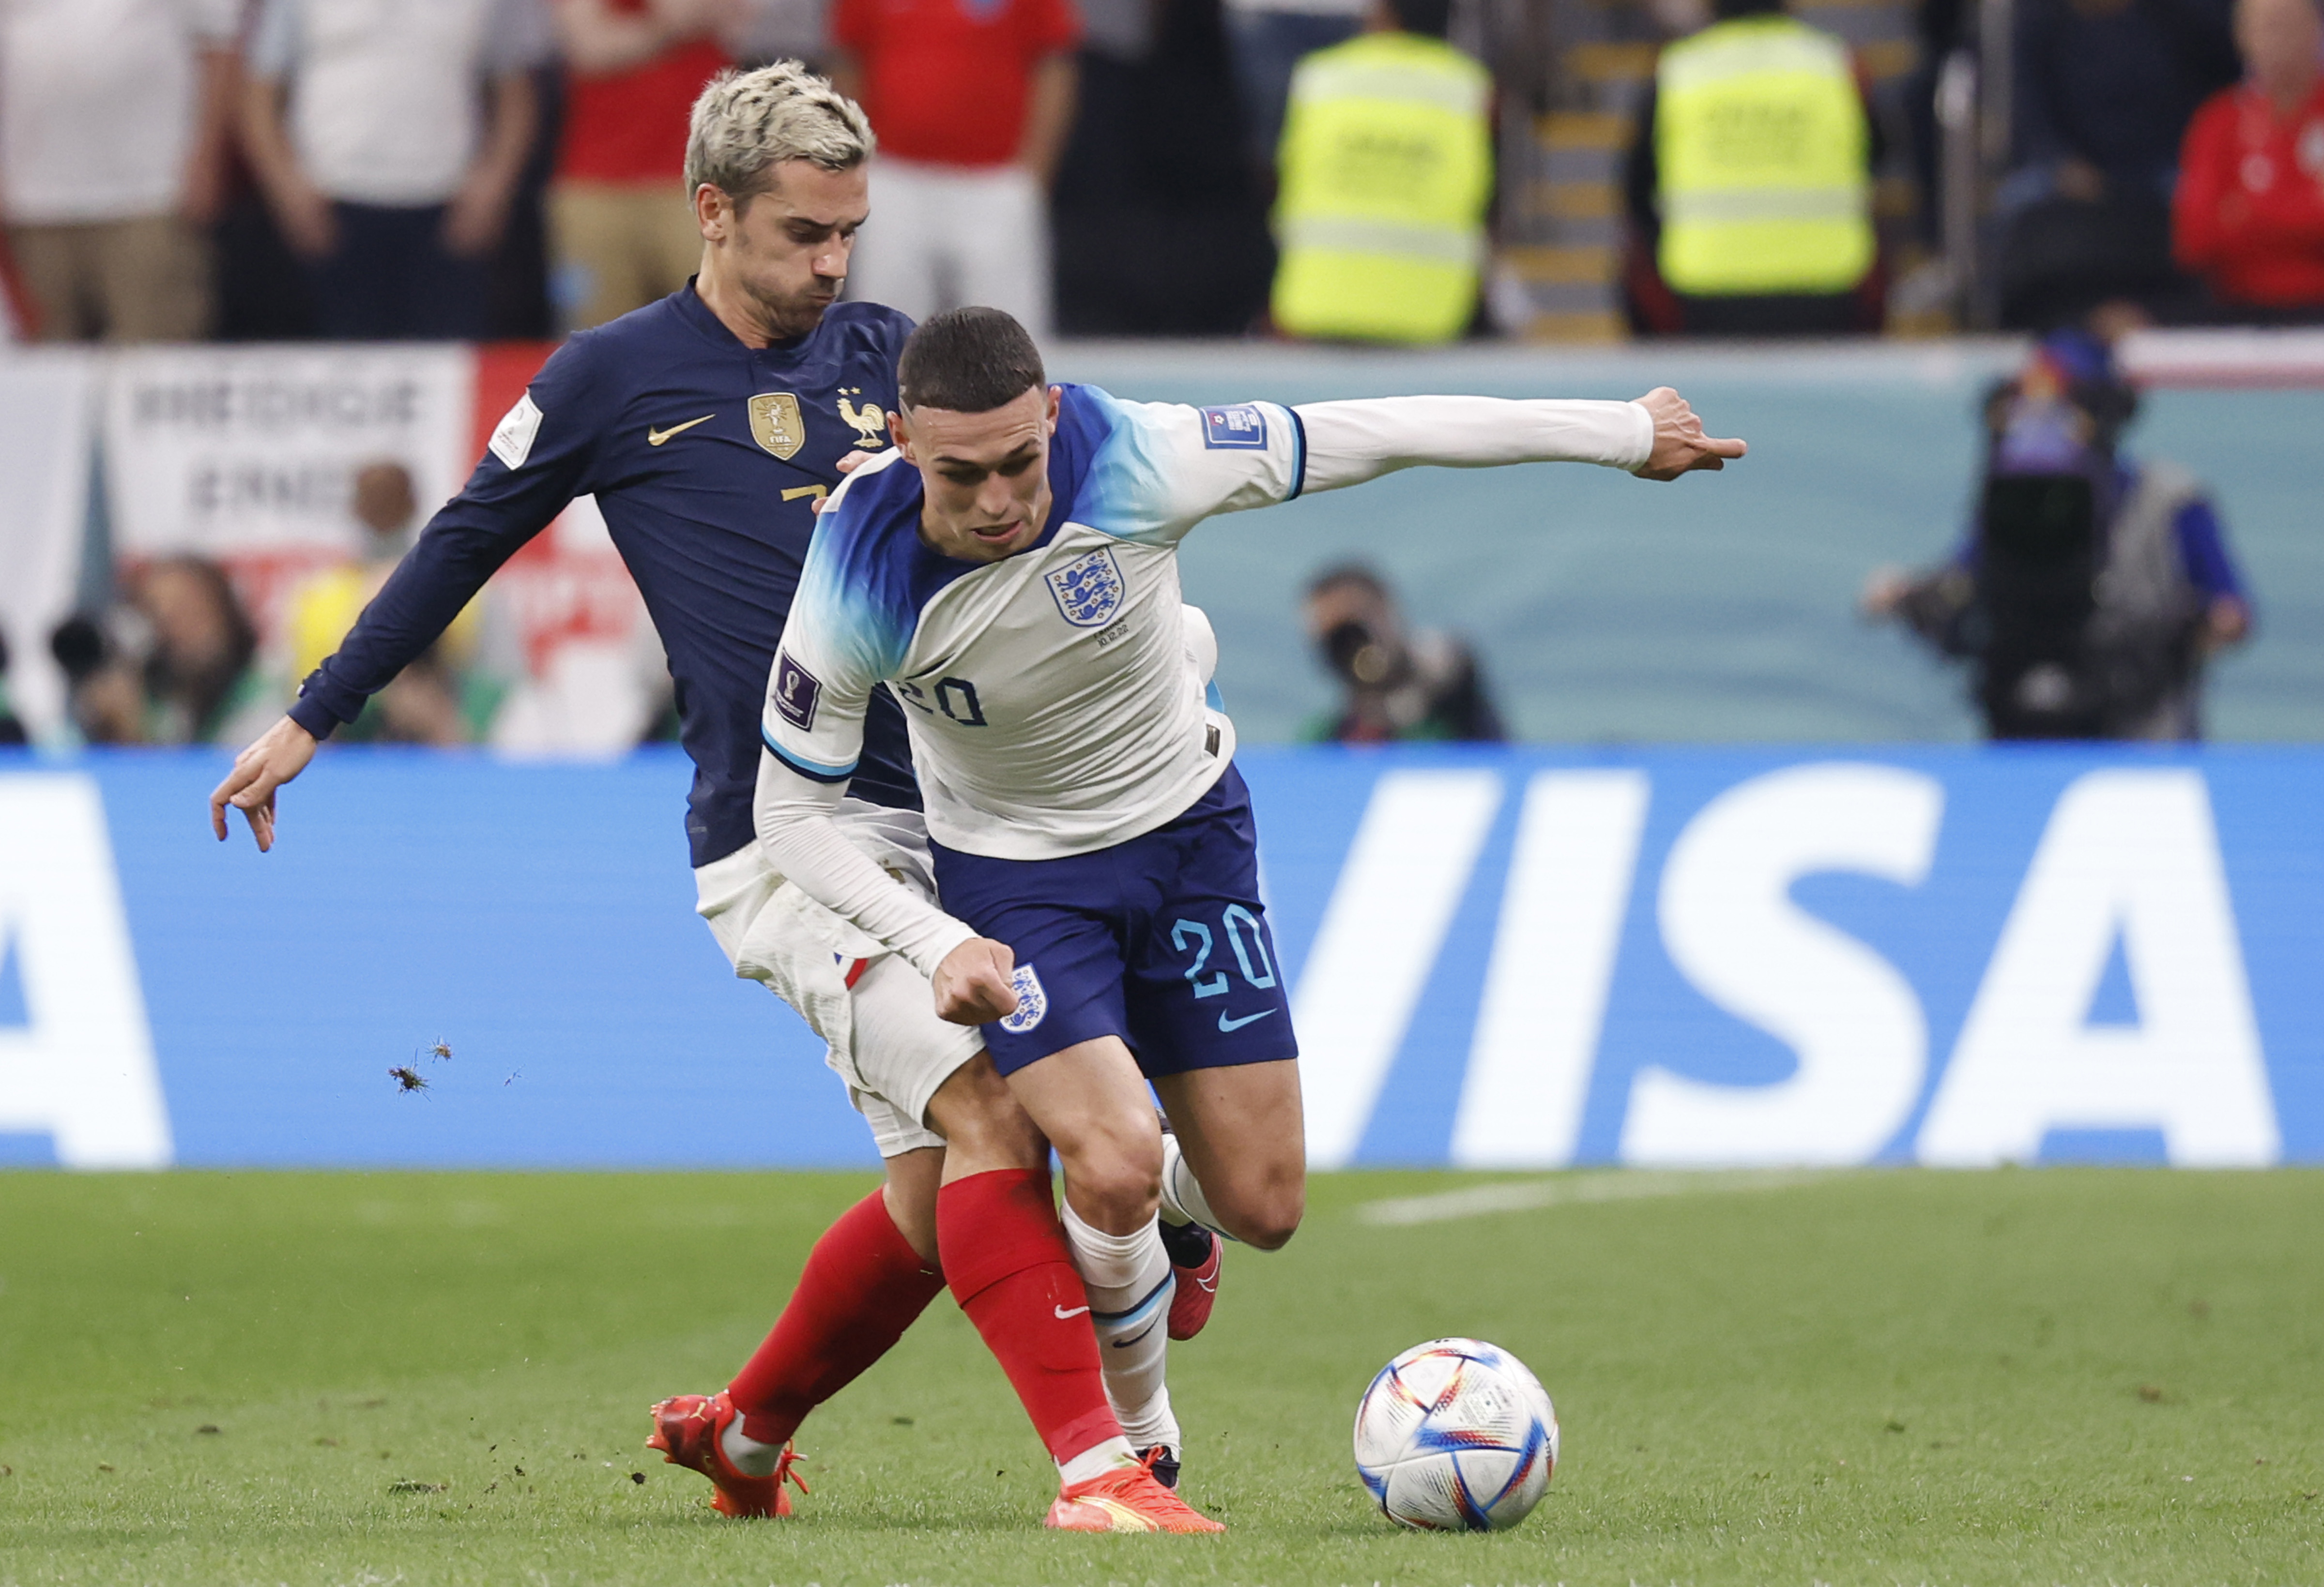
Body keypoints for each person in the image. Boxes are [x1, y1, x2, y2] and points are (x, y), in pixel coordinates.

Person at [205, 63, 1212, 1536]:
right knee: (997, 1115)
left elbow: (1033, 523)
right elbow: (462, 542)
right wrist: (313, 714)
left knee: (943, 1220)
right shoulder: (613, 377)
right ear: (711, 213)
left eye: (849, 230)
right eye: (804, 232)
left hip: (963, 830)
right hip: (780, 844)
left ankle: (744, 1435)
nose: (834, 262)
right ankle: (1103, 1471)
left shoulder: (892, 354)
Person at [753, 309, 1742, 1537]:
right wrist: (935, 939)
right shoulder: (855, 567)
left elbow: (1377, 430)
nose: (1003, 498)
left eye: (1020, 461)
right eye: (962, 474)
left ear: (1050, 413)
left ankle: (1183, 1215)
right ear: (903, 443)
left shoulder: (1139, 457)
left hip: (1187, 841)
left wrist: (1619, 432)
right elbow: (787, 815)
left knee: (1264, 1205)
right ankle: (1138, 1448)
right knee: (1104, 1162)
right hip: (1015, 884)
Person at [1861, 330, 2251, 739]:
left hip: (2144, 737)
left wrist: (2192, 632)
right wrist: (1909, 596)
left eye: (2064, 409)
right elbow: (1963, 580)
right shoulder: (2013, 503)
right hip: (2025, 723)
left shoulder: (2172, 500)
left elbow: (2230, 611)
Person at [239, 0, 551, 339]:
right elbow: (258, 93)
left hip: (447, 210)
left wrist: (494, 187)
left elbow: (516, 93)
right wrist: (287, 189)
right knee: (337, 361)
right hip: (331, 206)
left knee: (446, 359)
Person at [1622, 0, 1881, 336]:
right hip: (1828, 289)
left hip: (1703, 292)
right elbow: (1877, 155)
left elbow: (1636, 188)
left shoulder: (1679, 69)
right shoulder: (1835, 62)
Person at [826, 0, 1080, 336]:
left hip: (994, 182)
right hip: (893, 179)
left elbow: (1054, 63)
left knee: (1007, 340)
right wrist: (854, 163)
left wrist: (1033, 174)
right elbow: (848, 58)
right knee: (882, 334)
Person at [0, 0, 238, 342]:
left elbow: (219, 45)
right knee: (42, 367)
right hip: (32, 204)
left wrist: (207, 156)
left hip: (149, 196)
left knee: (157, 358)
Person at [1995, 0, 2239, 328]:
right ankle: (2017, 319)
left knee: (2203, 200)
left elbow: (2209, 84)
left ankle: (2194, 311)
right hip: (2073, 164)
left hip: (2162, 159)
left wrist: (2190, 158)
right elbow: (2028, 105)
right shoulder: (2041, 18)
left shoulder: (2172, 15)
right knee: (2017, 199)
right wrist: (2061, 161)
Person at [1268, 0, 1492, 345]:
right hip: (1431, 314)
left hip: (1317, 303)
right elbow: (1485, 198)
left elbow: (1284, 175)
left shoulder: (1321, 77)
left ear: (1382, 14)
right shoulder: (1468, 88)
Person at [548, 0, 735, 329]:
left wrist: (639, 27)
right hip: (595, 186)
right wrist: (669, 25)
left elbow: (740, 17)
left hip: (700, 181)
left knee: (723, 329)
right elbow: (590, 49)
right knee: (595, 336)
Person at [281, 461, 488, 744]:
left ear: (413, 503)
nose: (382, 507)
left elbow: (490, 688)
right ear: (356, 507)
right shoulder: (320, 596)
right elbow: (296, 694)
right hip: (345, 738)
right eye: (372, 497)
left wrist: (442, 725)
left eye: (393, 495)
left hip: (442, 724)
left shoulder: (466, 589)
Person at [2172, 0, 2324, 320]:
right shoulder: (2218, 122)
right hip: (2239, 309)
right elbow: (2195, 239)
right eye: (2269, 27)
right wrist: (2305, 211)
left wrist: (2247, 212)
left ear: (2316, 30)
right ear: (2242, 36)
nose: (2281, 39)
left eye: (2291, 25)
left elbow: (2225, 222)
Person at [1300, 563, 1504, 743]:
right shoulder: (1327, 738)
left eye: (1356, 631)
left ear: (1389, 612)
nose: (1351, 647)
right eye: (1334, 639)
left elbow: (1451, 666)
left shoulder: (1454, 701)